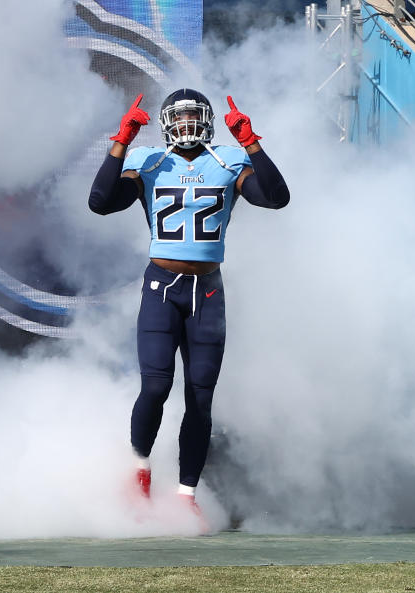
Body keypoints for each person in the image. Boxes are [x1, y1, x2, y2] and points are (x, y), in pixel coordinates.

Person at [88, 89, 289, 524]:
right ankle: (139, 474)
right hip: (162, 287)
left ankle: (185, 496)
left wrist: (251, 143)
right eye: (178, 119)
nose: (186, 125)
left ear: (210, 121)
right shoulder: (149, 162)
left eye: (194, 117)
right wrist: (119, 143)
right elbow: (100, 202)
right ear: (165, 125)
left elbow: (276, 198)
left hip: (207, 292)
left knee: (200, 398)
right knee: (156, 387)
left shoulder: (227, 161)